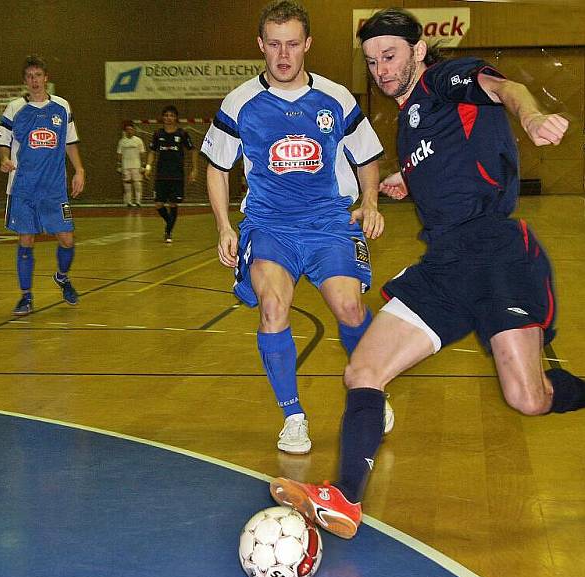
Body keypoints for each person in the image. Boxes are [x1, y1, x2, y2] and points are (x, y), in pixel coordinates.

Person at [270, 7, 585, 538]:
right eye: (372, 60)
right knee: (363, 371)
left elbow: (506, 88)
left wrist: (533, 116)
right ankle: (346, 500)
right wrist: (405, 178)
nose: (381, 69)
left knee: (528, 397)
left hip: (498, 255)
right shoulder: (407, 122)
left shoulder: (447, 81)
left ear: (418, 52)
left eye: (390, 56)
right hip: (445, 265)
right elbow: (446, 157)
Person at [202, 0, 394, 455]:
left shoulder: (336, 98)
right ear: (261, 46)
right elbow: (216, 168)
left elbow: (367, 156)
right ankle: (292, 416)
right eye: (273, 45)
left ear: (307, 44)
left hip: (329, 222)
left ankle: (371, 389)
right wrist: (225, 227)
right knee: (272, 307)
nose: (283, 55)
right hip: (270, 226)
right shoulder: (240, 103)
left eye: (292, 44)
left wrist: (369, 202)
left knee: (349, 307)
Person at [0, 55, 85, 316]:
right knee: (26, 240)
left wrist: (79, 169)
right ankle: (26, 296)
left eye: (38, 75)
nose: (34, 80)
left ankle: (62, 277)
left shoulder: (62, 107)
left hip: (55, 188)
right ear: (24, 81)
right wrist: (4, 159)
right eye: (29, 76)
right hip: (23, 187)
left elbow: (70, 142)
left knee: (67, 239)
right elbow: (2, 142)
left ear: (46, 78)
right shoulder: (14, 109)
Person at [144, 105, 198, 242]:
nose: (169, 118)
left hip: (176, 175)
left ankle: (168, 232)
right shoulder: (158, 134)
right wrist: (148, 166)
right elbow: (152, 151)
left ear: (176, 118)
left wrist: (194, 169)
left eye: (172, 115)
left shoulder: (182, 134)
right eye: (166, 115)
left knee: (173, 204)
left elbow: (193, 150)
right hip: (161, 175)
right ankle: (169, 223)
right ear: (163, 117)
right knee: (158, 204)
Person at [117, 120, 146, 207]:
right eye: (127, 130)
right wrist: (119, 165)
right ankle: (128, 202)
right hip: (126, 166)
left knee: (137, 184)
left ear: (133, 130)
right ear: (125, 131)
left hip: (136, 166)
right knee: (127, 185)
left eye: (131, 129)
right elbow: (119, 154)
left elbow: (142, 153)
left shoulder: (138, 141)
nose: (129, 131)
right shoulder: (122, 141)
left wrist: (143, 165)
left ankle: (138, 201)